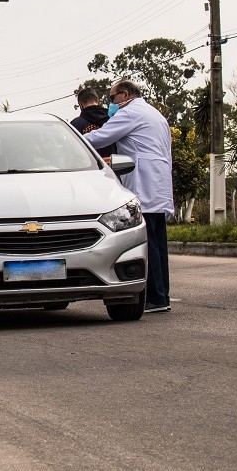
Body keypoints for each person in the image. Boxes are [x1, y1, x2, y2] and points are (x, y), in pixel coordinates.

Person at [84, 80, 174, 313]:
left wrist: (70, 141)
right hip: (159, 183)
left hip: (144, 182)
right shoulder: (155, 114)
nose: (111, 104)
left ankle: (156, 298)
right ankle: (162, 295)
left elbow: (100, 138)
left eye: (112, 98)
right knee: (158, 243)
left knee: (148, 243)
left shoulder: (130, 113)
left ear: (124, 94)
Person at [71, 87, 116, 158]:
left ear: (80, 105)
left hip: (91, 168)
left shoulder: (75, 124)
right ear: (99, 101)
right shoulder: (114, 118)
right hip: (117, 166)